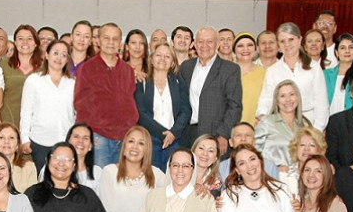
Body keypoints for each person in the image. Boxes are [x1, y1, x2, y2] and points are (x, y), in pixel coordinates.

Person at [75, 23, 138, 167]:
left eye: (115, 39)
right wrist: (86, 135)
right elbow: (81, 103)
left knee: (119, 182)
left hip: (124, 136)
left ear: (120, 43)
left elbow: (130, 100)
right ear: (98, 40)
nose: (111, 42)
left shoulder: (127, 70)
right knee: (99, 181)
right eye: (107, 38)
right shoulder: (87, 68)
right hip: (98, 136)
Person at [100, 126, 165, 212]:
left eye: (141, 143)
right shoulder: (109, 172)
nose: (135, 147)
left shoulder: (156, 174)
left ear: (146, 150)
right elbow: (107, 211)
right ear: (124, 146)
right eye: (131, 141)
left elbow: (175, 196)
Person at [180, 27, 242, 150]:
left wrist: (223, 135)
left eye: (209, 41)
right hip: (188, 133)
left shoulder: (230, 69)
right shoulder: (186, 67)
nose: (205, 45)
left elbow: (235, 106)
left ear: (217, 44)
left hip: (216, 134)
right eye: (201, 41)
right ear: (195, 44)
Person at [257, 23, 329, 130]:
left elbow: (321, 103)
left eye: (291, 39)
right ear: (278, 44)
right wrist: (262, 119)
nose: (287, 44)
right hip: (280, 127)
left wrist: (316, 130)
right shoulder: (272, 70)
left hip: (309, 125)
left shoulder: (314, 68)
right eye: (282, 41)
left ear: (300, 40)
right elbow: (266, 100)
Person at [134, 42, 191, 171]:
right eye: (158, 55)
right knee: (151, 179)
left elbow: (186, 110)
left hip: (174, 140)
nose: (162, 59)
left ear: (172, 62)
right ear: (152, 59)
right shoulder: (142, 82)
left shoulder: (178, 82)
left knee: (171, 179)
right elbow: (141, 113)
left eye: (167, 56)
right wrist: (164, 134)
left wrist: (173, 133)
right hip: (149, 140)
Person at [20, 39, 75, 171]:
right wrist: (24, 139)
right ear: (47, 55)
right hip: (40, 141)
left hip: (66, 142)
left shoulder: (73, 83)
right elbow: (26, 111)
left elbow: (76, 113)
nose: (59, 58)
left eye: (64, 54)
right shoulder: (34, 80)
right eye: (55, 53)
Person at [255, 80, 312, 175]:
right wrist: (274, 168)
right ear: (276, 101)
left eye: (292, 94)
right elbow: (254, 153)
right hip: (272, 177)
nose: (288, 99)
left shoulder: (306, 125)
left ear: (298, 97)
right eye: (282, 96)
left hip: (300, 179)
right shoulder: (266, 122)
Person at [0, 25, 42, 128]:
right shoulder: (4, 65)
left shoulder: (45, 66)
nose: (25, 43)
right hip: (8, 122)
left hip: (37, 124)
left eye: (29, 39)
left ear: (36, 43)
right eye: (20, 39)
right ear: (15, 42)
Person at [0, 123, 38, 193]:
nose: (6, 141)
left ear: (17, 145)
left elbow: (32, 198)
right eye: (1, 138)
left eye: (11, 138)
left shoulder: (29, 167)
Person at [233, 33, 265, 125]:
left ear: (256, 49)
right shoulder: (225, 72)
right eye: (240, 46)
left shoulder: (265, 74)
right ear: (234, 50)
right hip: (230, 129)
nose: (245, 49)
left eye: (250, 45)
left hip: (256, 128)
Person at [324, 33, 353, 116]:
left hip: (351, 121)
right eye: (343, 48)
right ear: (336, 52)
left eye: (351, 47)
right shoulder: (325, 74)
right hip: (328, 121)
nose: (347, 51)